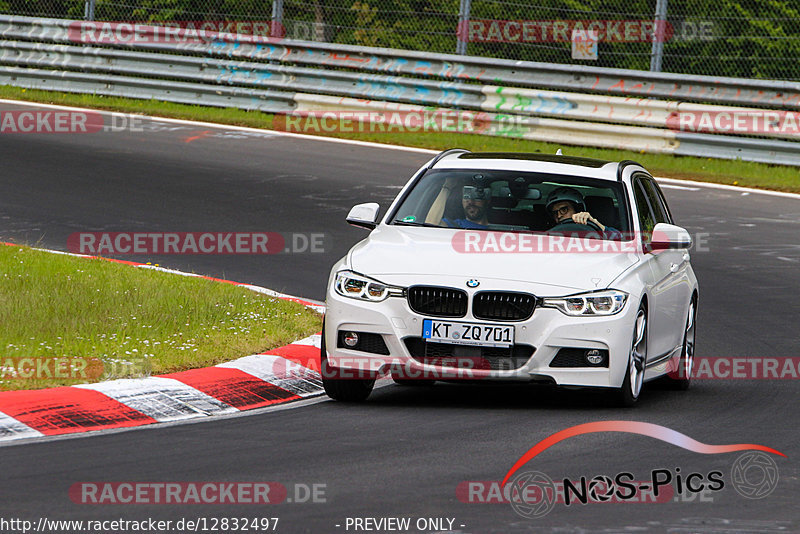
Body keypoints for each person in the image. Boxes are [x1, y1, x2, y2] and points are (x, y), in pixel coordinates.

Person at [545, 187, 622, 237]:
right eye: (555, 213)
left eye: (564, 210)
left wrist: (595, 224)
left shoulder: (594, 231)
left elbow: (620, 239)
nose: (558, 216)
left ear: (577, 209)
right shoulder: (549, 234)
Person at [425, 177, 490, 229]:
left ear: (488, 199)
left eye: (476, 197)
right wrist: (447, 187)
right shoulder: (455, 225)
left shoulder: (498, 228)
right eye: (466, 197)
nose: (470, 202)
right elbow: (431, 224)